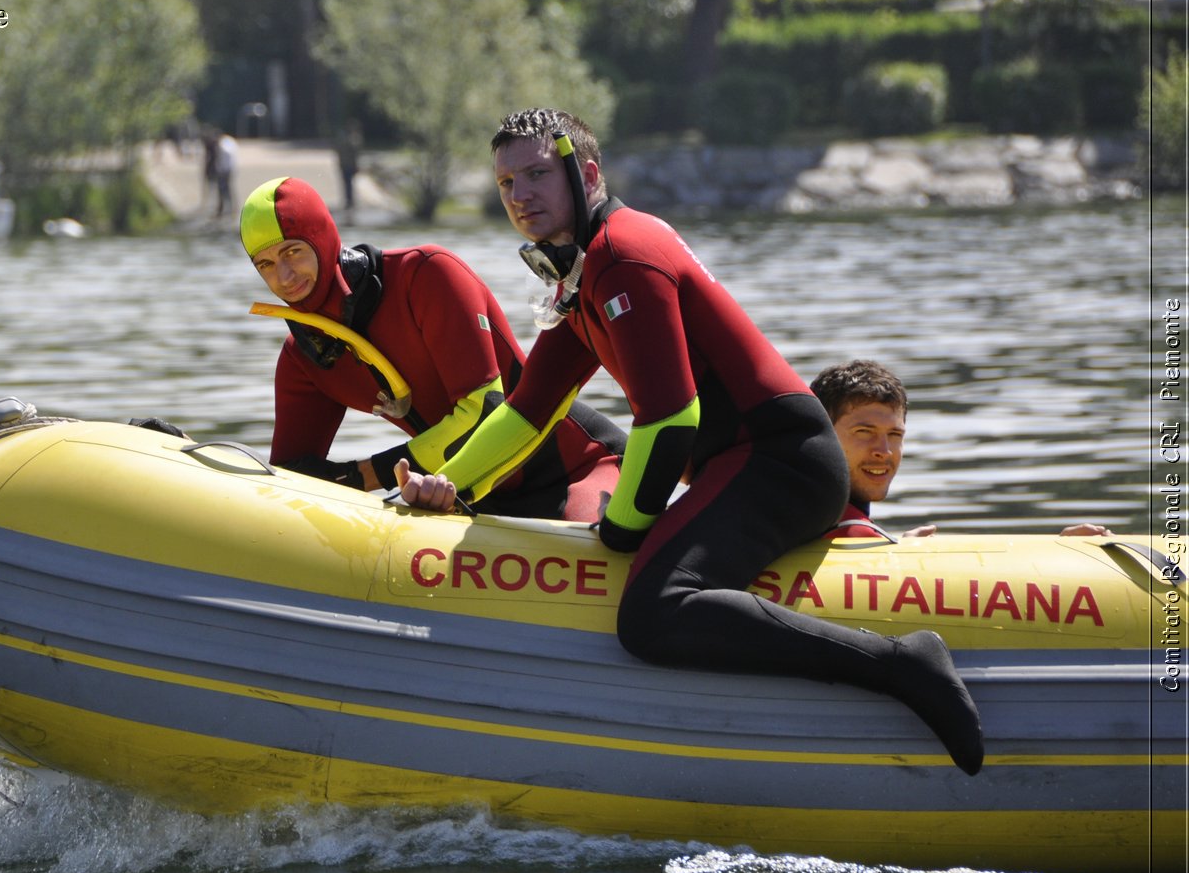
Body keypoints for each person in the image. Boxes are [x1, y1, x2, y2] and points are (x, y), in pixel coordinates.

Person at [395, 108, 983, 775]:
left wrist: (621, 530)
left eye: (536, 174)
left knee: (653, 611)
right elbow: (529, 411)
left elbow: (671, 418)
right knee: (654, 582)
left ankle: (901, 662)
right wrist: (448, 488)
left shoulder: (622, 255)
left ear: (586, 175)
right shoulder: (582, 273)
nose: (520, 195)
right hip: (742, 463)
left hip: (781, 459)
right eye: (505, 183)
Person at [239, 175, 624, 521]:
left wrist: (361, 477)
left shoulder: (425, 275)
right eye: (266, 265)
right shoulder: (305, 356)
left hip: (576, 470)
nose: (285, 277)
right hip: (463, 495)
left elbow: (482, 415)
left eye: (293, 252)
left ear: (322, 238)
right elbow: (288, 477)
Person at [811, 359, 1111, 540]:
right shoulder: (818, 519)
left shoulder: (840, 522)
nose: (884, 451)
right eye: (864, 432)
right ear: (822, 434)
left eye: (894, 434)